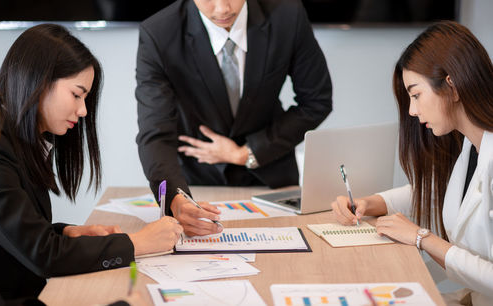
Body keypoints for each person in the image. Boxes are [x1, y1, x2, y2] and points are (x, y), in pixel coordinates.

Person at [0, 24, 183, 300]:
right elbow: (43, 256)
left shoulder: (17, 139)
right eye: (77, 94)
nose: (82, 110)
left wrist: (66, 232)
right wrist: (137, 243)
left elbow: (16, 235)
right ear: (40, 80)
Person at [135, 0, 333, 236]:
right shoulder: (158, 33)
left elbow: (316, 101)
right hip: (196, 182)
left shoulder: (288, 16)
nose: (222, 9)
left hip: (272, 180)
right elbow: (155, 133)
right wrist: (176, 199)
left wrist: (247, 153)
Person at [331, 21, 493, 305]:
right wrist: (371, 202)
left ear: (452, 86)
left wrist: (422, 238)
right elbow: (440, 191)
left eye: (416, 95)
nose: (412, 110)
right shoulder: (471, 144)